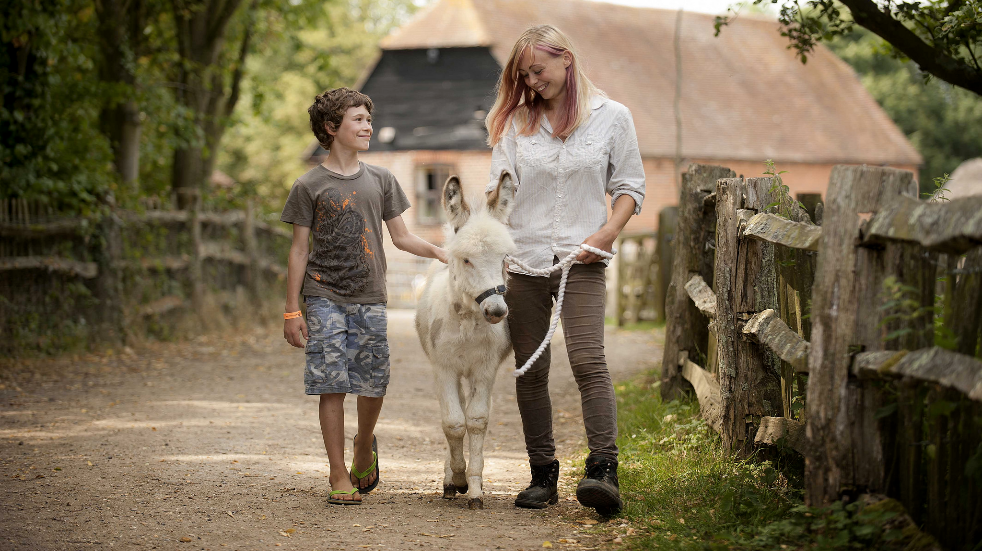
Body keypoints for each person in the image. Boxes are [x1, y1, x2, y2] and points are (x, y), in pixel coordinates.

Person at [484, 25, 645, 515]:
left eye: (539, 70)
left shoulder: (612, 117)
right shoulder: (516, 123)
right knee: (529, 370)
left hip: (583, 261)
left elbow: (630, 188)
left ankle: (603, 471)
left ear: (566, 60)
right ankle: (542, 475)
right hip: (525, 262)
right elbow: (496, 193)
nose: (533, 82)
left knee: (588, 362)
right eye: (525, 75)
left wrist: (606, 234)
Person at [281, 87, 447, 505]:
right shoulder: (309, 185)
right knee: (331, 383)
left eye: (368, 119)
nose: (368, 126)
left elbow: (403, 237)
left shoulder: (381, 180)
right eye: (358, 119)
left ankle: (363, 445)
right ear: (331, 128)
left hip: (370, 296)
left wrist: (445, 253)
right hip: (323, 295)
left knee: (374, 383)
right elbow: (299, 250)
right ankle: (338, 473)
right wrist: (290, 311)